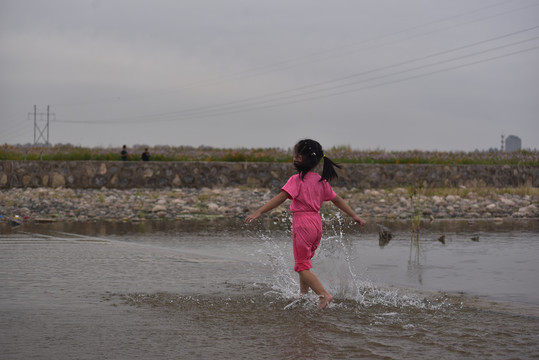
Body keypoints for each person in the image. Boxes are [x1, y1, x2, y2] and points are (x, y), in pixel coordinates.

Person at [245, 139, 366, 309]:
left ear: (300, 158)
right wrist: (355, 215)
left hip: (302, 224)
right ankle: (303, 294)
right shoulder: (320, 180)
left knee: (301, 266)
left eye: (296, 153)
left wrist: (259, 211)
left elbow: (280, 198)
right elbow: (337, 199)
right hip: (317, 224)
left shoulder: (296, 180)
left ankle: (324, 295)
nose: (294, 156)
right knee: (305, 262)